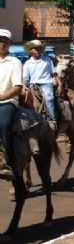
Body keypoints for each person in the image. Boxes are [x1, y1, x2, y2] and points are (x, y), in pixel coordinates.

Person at [0, 29, 23, 175]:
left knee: (3, 123)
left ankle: (7, 162)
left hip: (7, 101)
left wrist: (2, 97)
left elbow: (18, 87)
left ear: (10, 43)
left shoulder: (15, 62)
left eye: (4, 41)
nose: (1, 43)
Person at [23, 40, 58, 130]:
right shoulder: (27, 63)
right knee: (25, 101)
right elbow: (26, 78)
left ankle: (52, 120)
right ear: (31, 51)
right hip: (33, 84)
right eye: (36, 49)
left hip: (46, 82)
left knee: (49, 98)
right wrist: (25, 86)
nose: (38, 50)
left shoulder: (47, 59)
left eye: (39, 48)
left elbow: (53, 72)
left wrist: (54, 78)